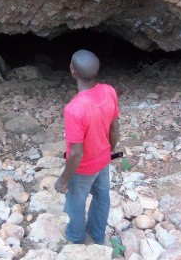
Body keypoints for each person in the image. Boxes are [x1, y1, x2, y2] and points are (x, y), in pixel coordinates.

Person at [54, 49, 120, 245]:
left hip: (83, 168)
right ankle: (97, 236)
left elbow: (76, 153)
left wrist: (63, 179)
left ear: (72, 71)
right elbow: (115, 129)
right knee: (102, 197)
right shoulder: (109, 91)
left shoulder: (74, 109)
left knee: (76, 201)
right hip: (104, 159)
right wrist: (109, 150)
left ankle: (76, 237)